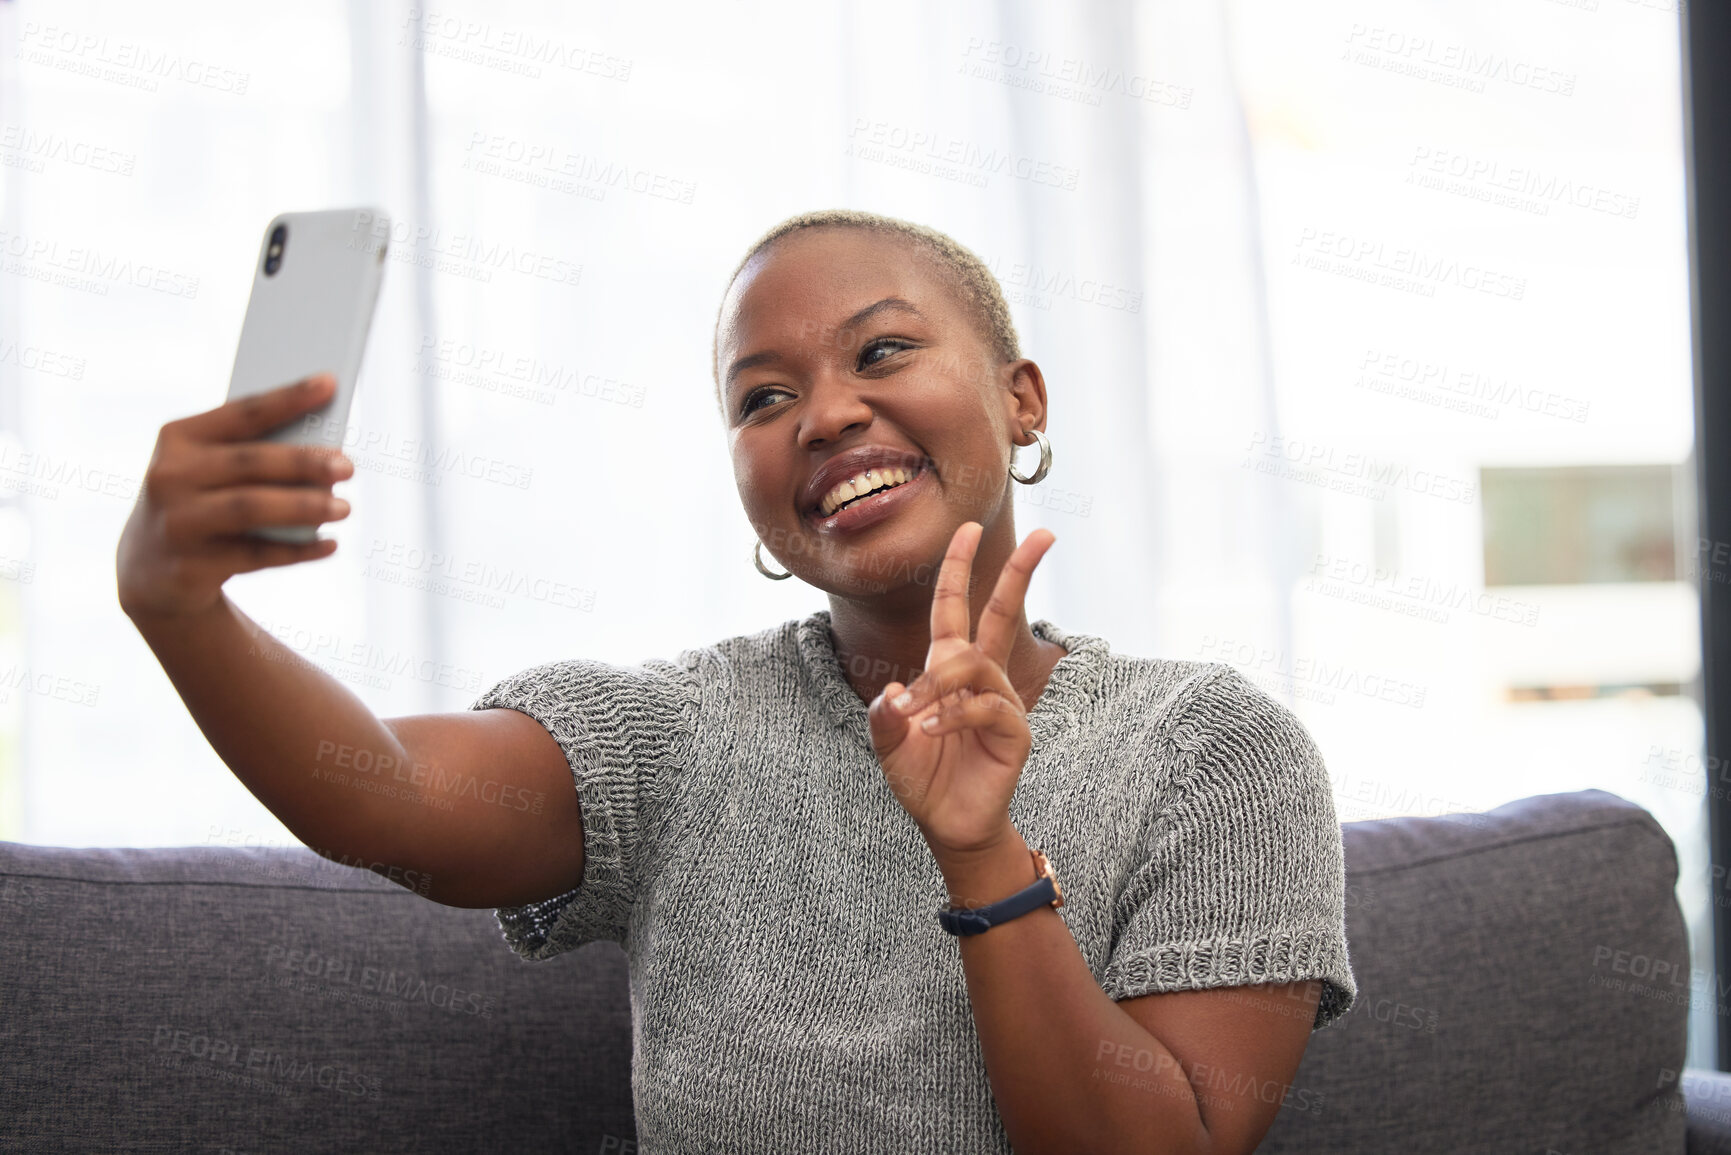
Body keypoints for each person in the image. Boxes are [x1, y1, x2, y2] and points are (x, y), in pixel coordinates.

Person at [118, 208, 1356, 1154]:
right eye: (764, 398)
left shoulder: (1214, 748)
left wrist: (985, 863)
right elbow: (379, 794)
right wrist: (179, 610)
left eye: (883, 349)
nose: (824, 415)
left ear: (1020, 400)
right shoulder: (678, 731)